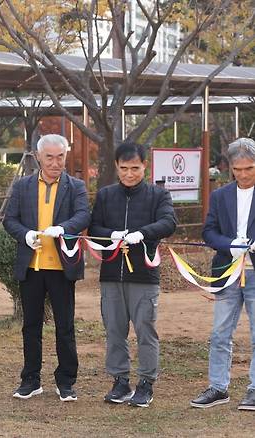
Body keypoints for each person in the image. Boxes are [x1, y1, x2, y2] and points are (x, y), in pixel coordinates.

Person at [3, 133, 91, 402]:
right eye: (49, 157)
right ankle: (30, 379)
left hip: (61, 267)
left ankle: (66, 381)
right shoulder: (23, 186)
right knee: (31, 326)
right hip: (31, 266)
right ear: (38, 157)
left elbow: (83, 214)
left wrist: (63, 228)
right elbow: (10, 219)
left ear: (66, 156)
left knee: (64, 326)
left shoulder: (75, 186)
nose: (55, 163)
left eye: (60, 157)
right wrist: (25, 235)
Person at [90, 142, 176, 408]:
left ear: (145, 166)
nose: (129, 174)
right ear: (116, 166)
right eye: (124, 168)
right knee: (114, 330)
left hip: (144, 275)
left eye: (135, 168)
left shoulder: (158, 195)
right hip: (111, 275)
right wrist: (110, 235)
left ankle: (146, 383)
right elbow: (94, 226)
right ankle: (120, 381)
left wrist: (144, 233)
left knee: (145, 330)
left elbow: (169, 222)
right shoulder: (105, 195)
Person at [191, 137, 255, 411]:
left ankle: (253, 389)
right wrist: (229, 245)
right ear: (230, 167)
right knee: (219, 333)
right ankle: (218, 387)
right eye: (238, 169)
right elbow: (209, 231)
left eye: (249, 168)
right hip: (228, 272)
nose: (243, 174)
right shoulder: (220, 196)